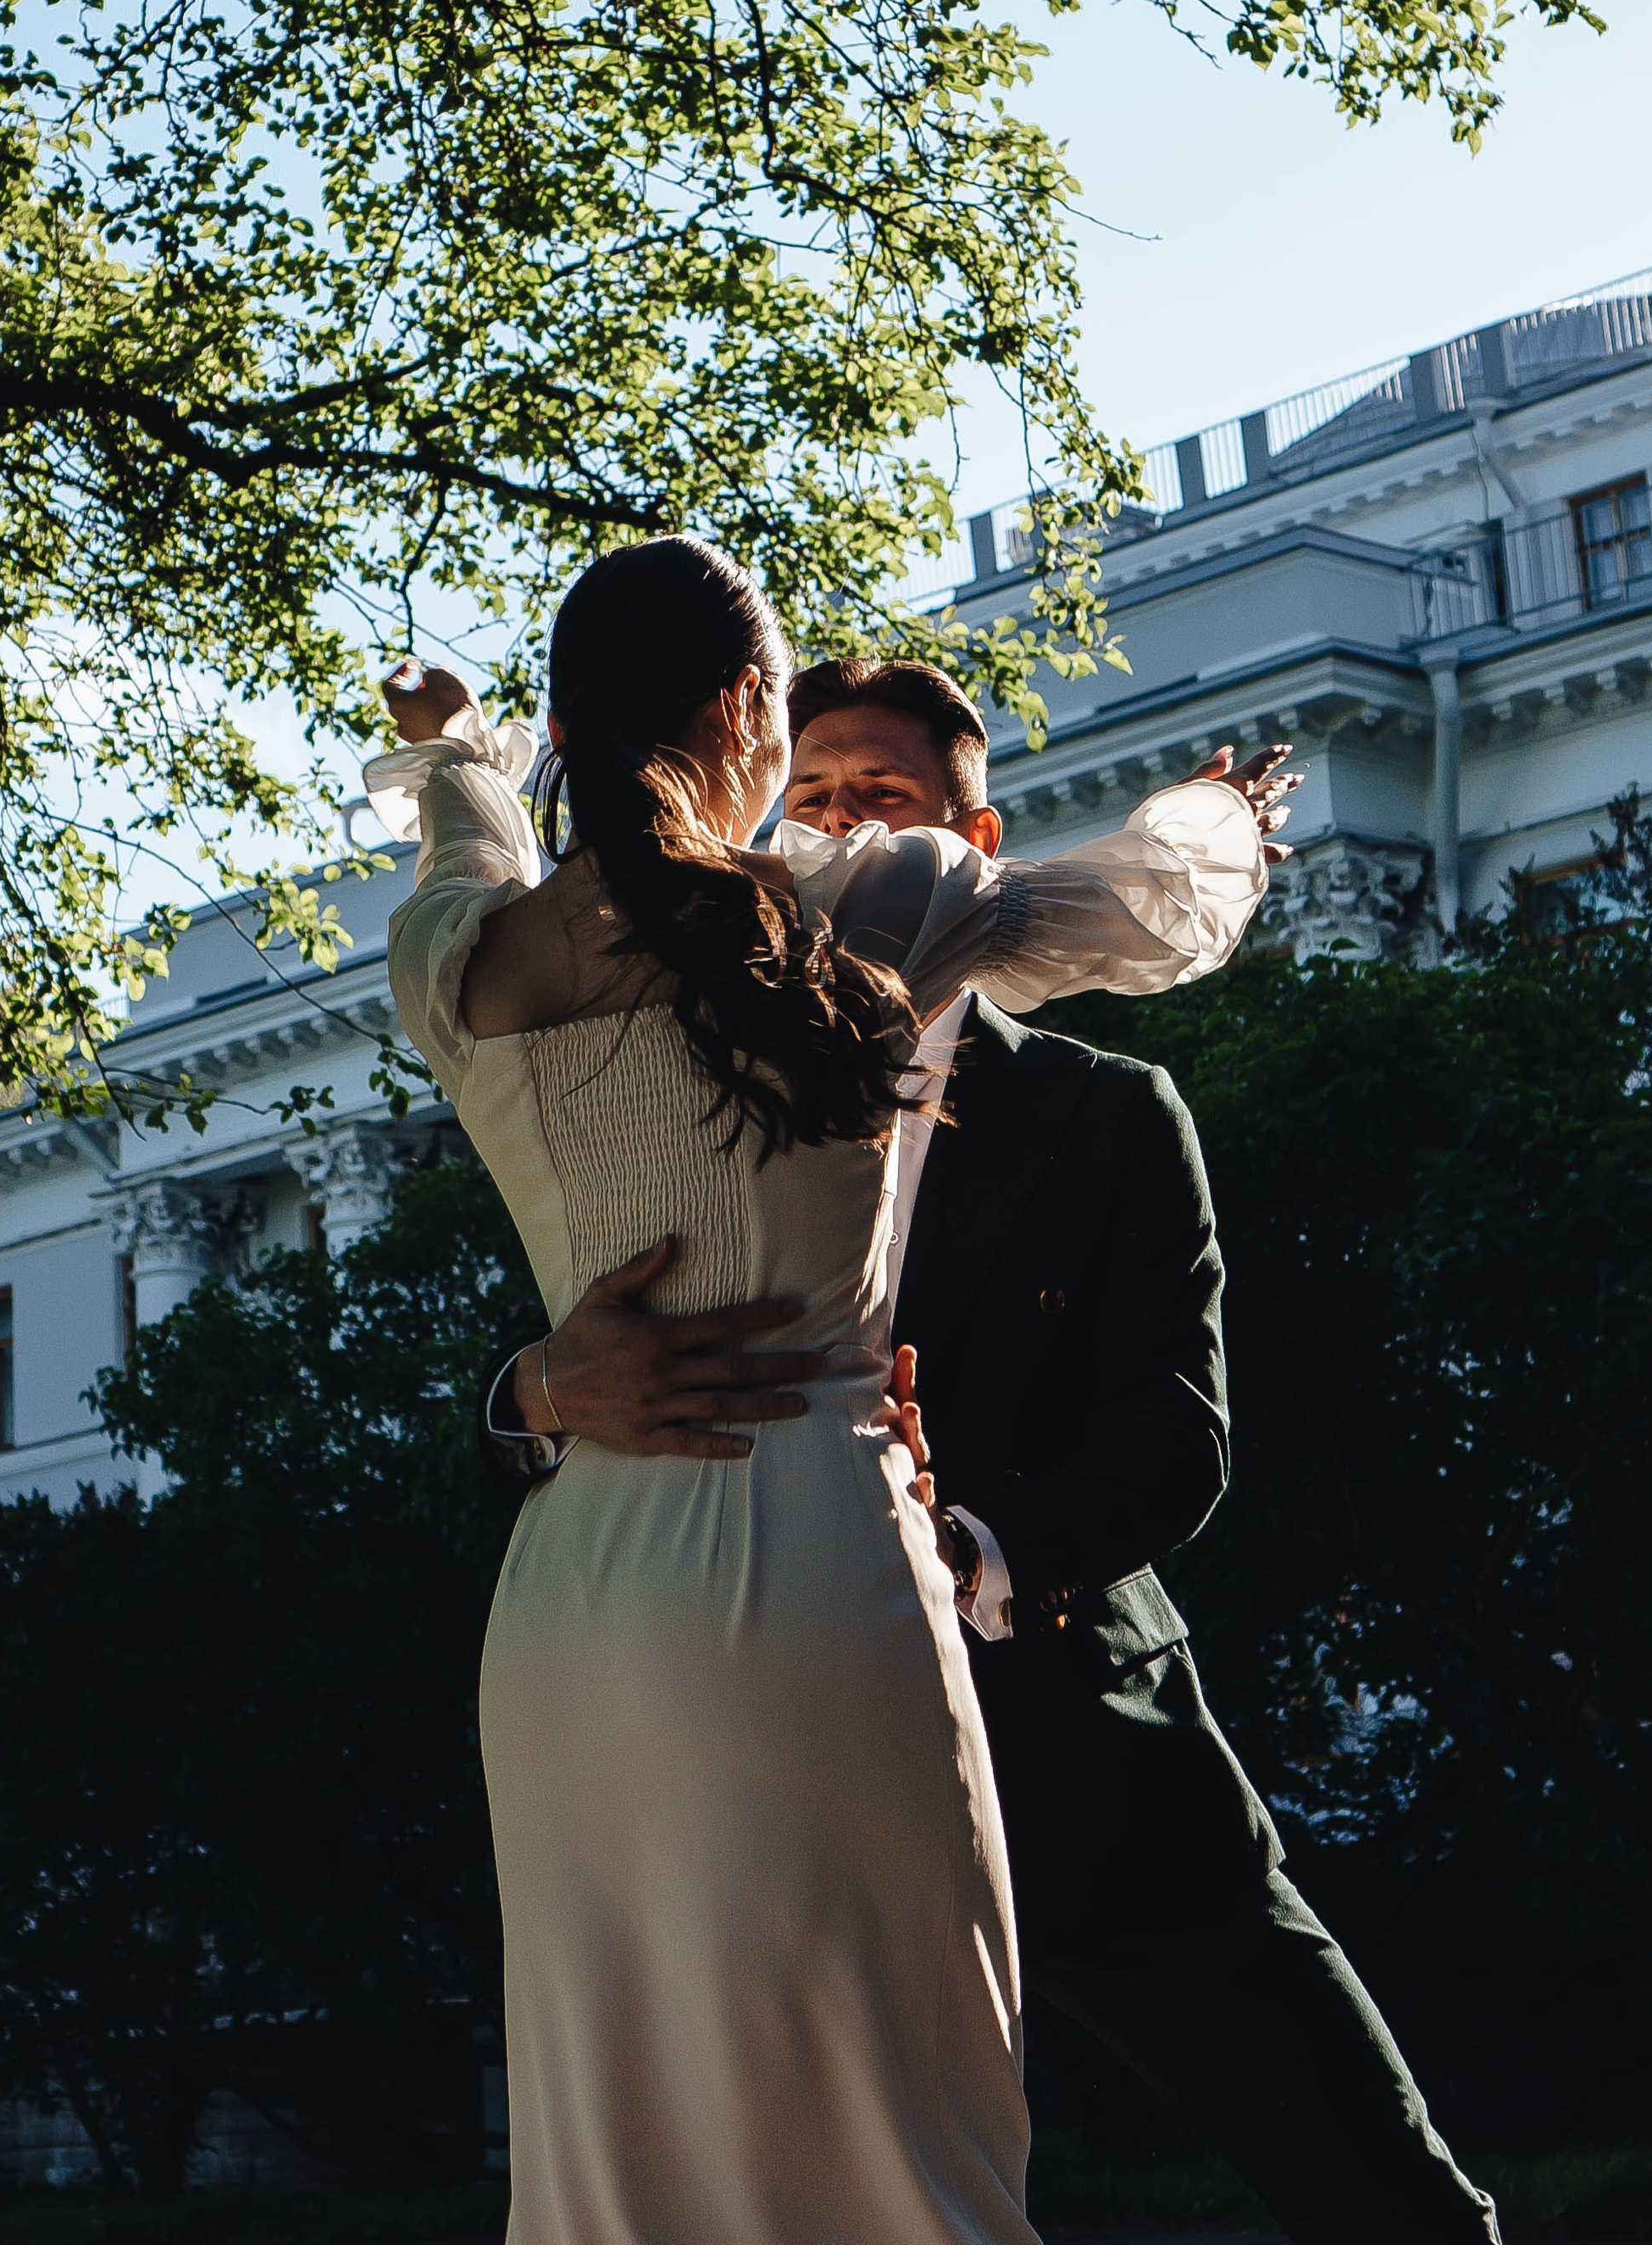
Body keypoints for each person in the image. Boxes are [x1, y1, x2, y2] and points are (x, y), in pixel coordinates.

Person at [487, 652, 1500, 2245]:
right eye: (804, 803)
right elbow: (570, 1343)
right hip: (783, 1755)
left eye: (876, 804)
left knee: (1388, 2200)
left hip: (1091, 1761)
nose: (832, 840)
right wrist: (539, 1390)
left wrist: (957, 1548)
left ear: (974, 835)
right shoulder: (691, 1078)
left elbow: (1181, 1440)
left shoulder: (1109, 1115)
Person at [368, 538, 1273, 2245]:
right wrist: (1225, 821)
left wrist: (450, 741)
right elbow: (1149, 918)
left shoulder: (453, 964)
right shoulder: (868, 911)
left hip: (574, 1610)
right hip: (815, 1564)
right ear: (744, 709)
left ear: (572, 720)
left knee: (619, 2166)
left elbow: (463, 838)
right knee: (892, 2136)